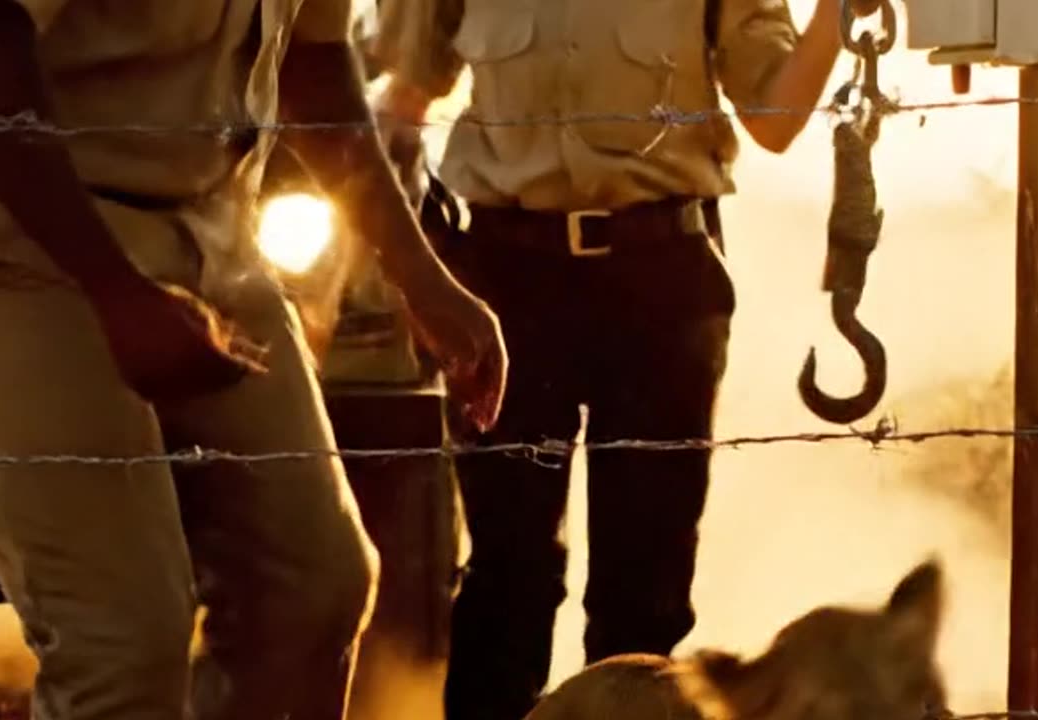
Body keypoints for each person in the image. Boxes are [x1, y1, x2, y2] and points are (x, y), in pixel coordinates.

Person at [0, 0, 507, 718]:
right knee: (124, 643)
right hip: (21, 238)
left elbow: (313, 59)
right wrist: (115, 291)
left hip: (214, 232)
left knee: (314, 589)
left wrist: (418, 274)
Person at [368, 0, 869, 718]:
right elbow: (402, 102)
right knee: (506, 578)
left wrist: (839, 12)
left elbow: (775, 119)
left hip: (660, 281)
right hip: (508, 282)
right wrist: (410, 269)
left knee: (646, 594)